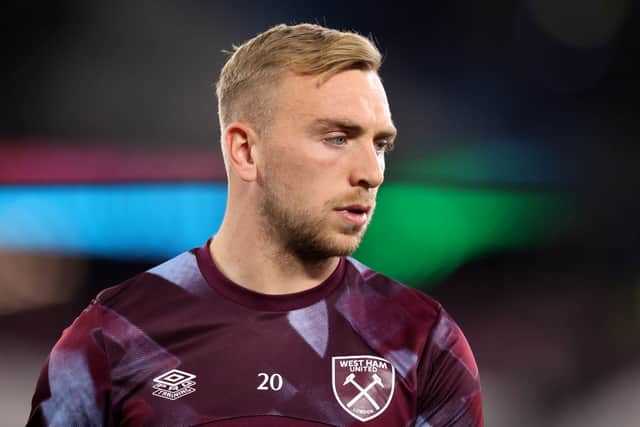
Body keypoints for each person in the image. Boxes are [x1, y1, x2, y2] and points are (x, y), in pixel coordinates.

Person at [27, 23, 483, 426]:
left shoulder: (422, 340)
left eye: (379, 143)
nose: (373, 172)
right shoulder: (114, 335)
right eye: (338, 138)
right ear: (245, 151)